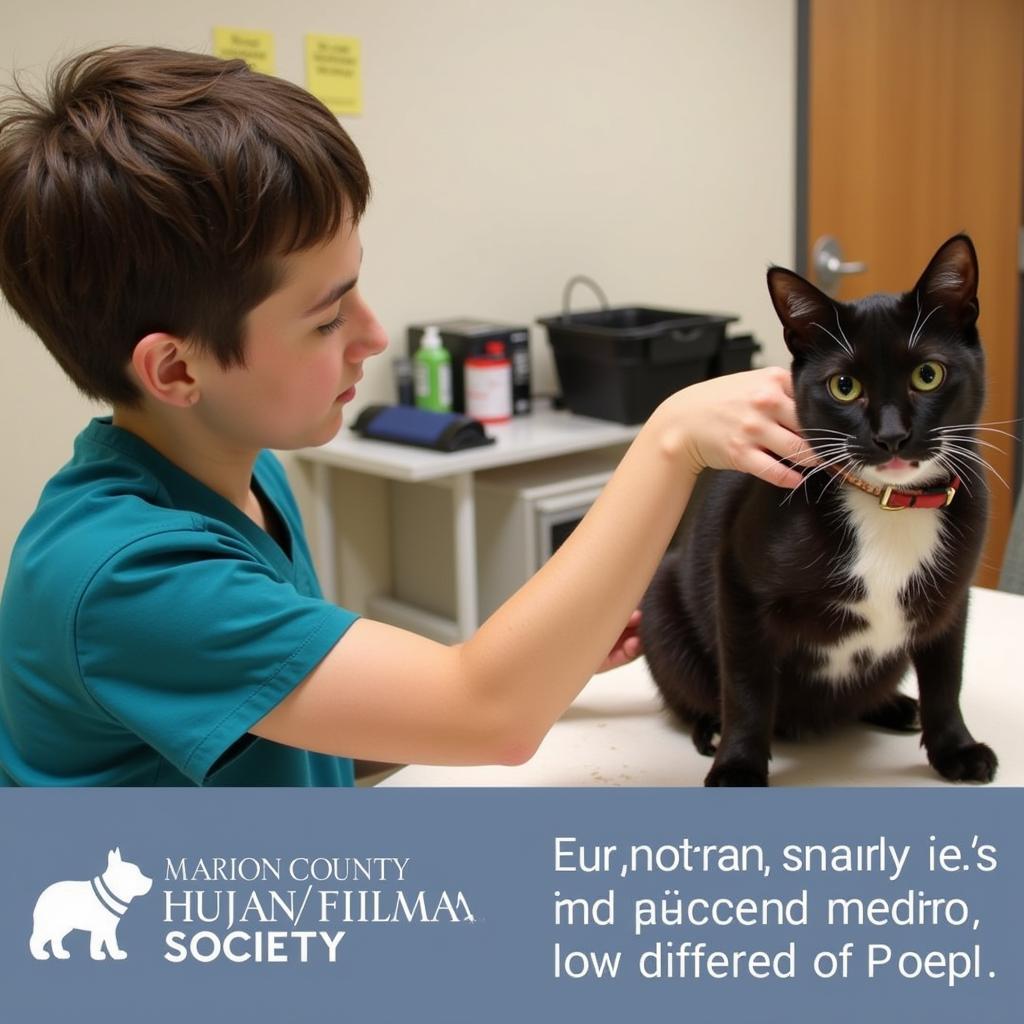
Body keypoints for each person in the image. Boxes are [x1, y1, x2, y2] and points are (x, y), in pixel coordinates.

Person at [0, 46, 807, 786]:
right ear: (177, 369)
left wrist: (541, 673)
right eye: (326, 320)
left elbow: (294, 740)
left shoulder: (245, 476)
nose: (373, 339)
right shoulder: (132, 576)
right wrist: (670, 440)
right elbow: (487, 714)